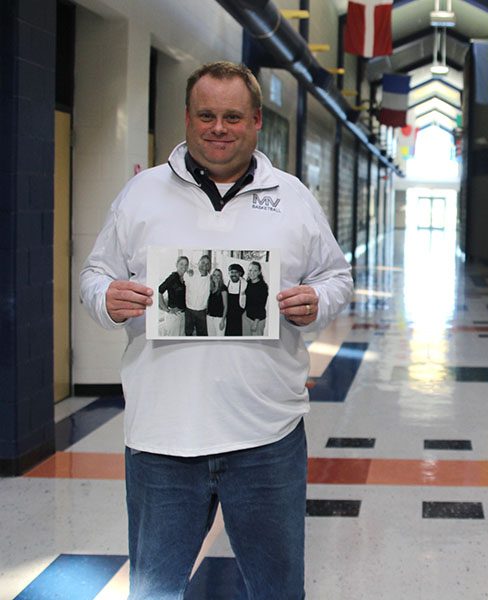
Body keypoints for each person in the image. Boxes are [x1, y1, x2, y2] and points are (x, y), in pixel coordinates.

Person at [79, 61, 353, 599]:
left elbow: (337, 277)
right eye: (206, 115)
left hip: (266, 437)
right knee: (154, 589)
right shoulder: (141, 194)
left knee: (276, 589)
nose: (218, 128)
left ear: (255, 122)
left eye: (232, 116)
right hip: (163, 439)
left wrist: (315, 300)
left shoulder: (292, 197)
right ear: (187, 117)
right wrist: (105, 300)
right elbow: (94, 275)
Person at [157, 256, 188, 336]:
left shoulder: (184, 279)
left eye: (186, 265)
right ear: (176, 265)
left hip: (182, 314)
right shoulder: (173, 277)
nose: (184, 267)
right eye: (181, 264)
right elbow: (159, 291)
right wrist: (166, 309)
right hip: (173, 316)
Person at [183, 254, 212, 336]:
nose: (204, 265)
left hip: (202, 312)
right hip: (189, 310)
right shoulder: (190, 274)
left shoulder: (210, 279)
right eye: (203, 262)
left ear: (209, 266)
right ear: (198, 263)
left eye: (207, 264)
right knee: (188, 334)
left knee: (202, 335)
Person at [242, 260, 268, 336]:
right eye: (250, 270)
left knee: (257, 344)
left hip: (258, 320)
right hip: (247, 317)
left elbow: (261, 305)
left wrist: (256, 322)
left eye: (255, 270)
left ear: (259, 272)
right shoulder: (248, 283)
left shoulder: (263, 286)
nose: (252, 273)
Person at [225, 263, 246, 336]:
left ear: (240, 273)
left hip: (239, 316)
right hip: (227, 315)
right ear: (229, 273)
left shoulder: (245, 284)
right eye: (232, 272)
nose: (233, 274)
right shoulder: (225, 282)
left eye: (236, 272)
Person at [207, 268, 227, 336]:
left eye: (218, 275)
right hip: (209, 318)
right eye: (214, 275)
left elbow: (226, 306)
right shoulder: (211, 288)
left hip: (219, 319)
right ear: (212, 276)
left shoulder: (223, 288)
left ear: (221, 277)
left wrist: (223, 320)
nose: (216, 277)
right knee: (211, 340)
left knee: (219, 341)